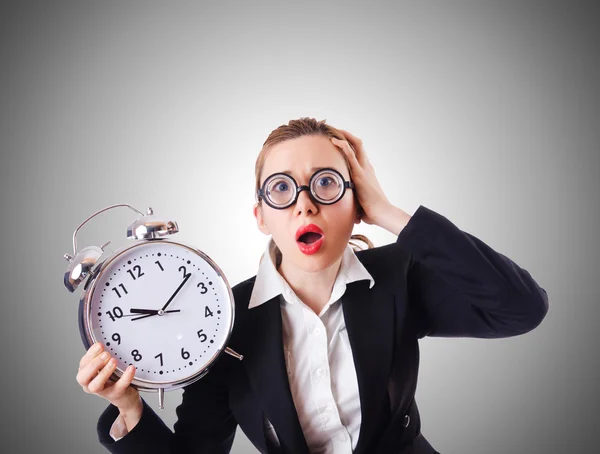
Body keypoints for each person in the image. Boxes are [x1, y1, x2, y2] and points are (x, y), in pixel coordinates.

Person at [76, 117, 549, 453]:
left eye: (326, 183)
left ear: (355, 200)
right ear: (260, 216)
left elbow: (520, 308)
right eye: (281, 188)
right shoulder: (222, 323)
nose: (304, 205)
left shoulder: (399, 277)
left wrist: (388, 212)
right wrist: (129, 406)